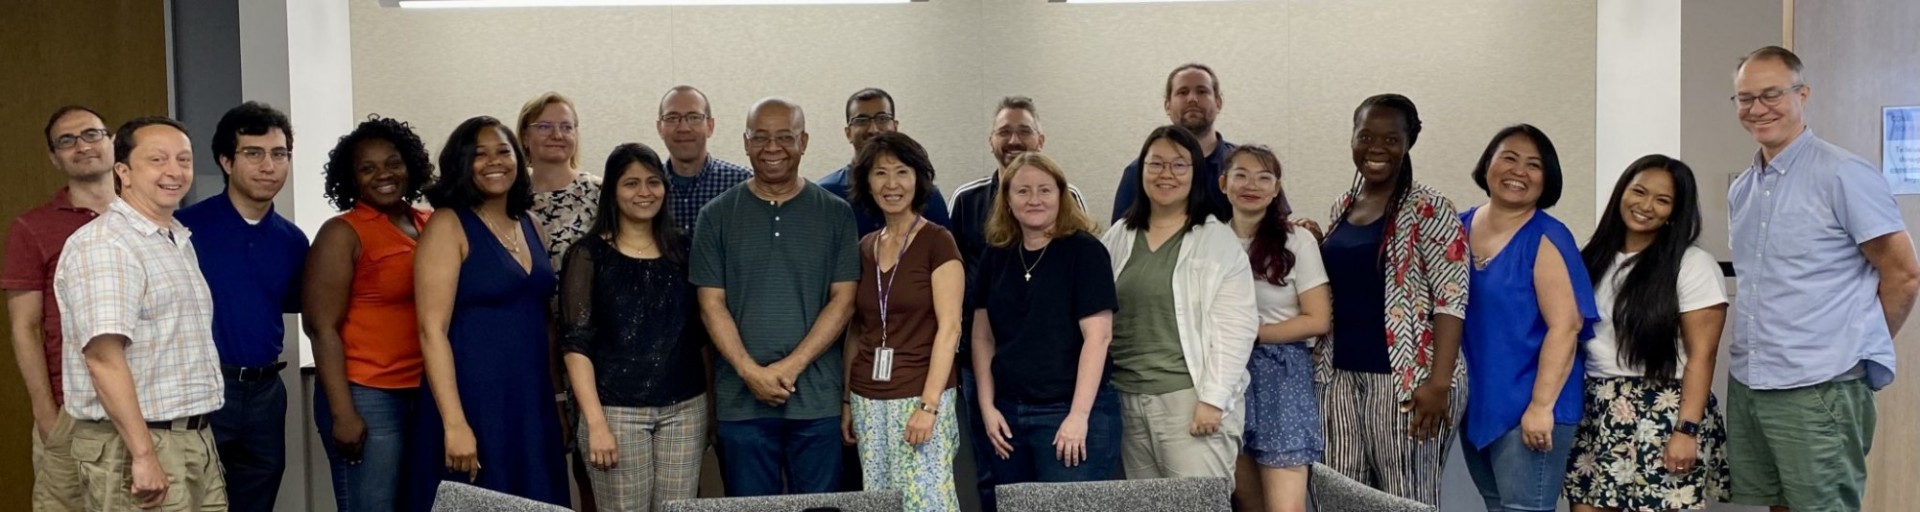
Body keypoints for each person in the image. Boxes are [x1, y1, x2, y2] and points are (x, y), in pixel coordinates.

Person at [1725, 46, 1919, 511]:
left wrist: (1856, 342)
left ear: (1803, 94)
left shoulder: (1843, 174)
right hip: (1752, 383)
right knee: (1774, 503)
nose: (1758, 109)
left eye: (1771, 94)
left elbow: (1904, 273)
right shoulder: (1743, 188)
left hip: (1821, 386)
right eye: (1745, 98)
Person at [55, 116, 227, 510]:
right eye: (158, 160)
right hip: (136, 444)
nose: (175, 171)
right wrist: (144, 454)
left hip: (193, 439)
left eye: (184, 160)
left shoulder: (174, 239)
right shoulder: (107, 244)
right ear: (124, 172)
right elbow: (102, 357)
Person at [692, 97, 860, 496]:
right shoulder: (716, 216)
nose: (772, 148)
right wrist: (751, 372)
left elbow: (844, 301)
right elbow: (710, 305)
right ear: (745, 142)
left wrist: (791, 366)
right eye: (760, 137)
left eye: (785, 136)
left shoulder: (836, 214)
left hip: (817, 401)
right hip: (740, 401)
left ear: (803, 141)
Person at [406, 116, 569, 509]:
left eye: (503, 151)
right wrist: (454, 422)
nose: (494, 162)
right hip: (474, 399)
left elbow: (544, 319)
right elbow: (431, 330)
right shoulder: (447, 224)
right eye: (479, 155)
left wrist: (558, 400)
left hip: (531, 401)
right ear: (462, 164)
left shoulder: (530, 224)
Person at [1313, 94, 1468, 506]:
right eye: (1365, 136)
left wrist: (1438, 384)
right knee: (1338, 494)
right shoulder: (1342, 206)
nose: (1376, 148)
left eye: (1390, 138)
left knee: (1406, 498)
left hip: (1408, 381)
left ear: (1409, 141)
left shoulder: (1430, 207)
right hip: (1339, 377)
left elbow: (1452, 299)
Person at [946, 96, 1086, 512]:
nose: (1014, 139)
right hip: (983, 362)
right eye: (1004, 131)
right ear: (991, 140)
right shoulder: (966, 200)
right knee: (994, 472)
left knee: (1057, 486)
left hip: (1053, 371)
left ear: (1041, 138)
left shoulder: (1067, 196)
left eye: (1024, 130)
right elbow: (954, 282)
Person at [1566, 155, 1730, 511]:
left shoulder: (1692, 264)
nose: (1645, 206)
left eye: (1662, 200)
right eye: (1638, 191)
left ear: (1675, 211)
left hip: (1665, 411)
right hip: (1597, 408)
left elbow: (1703, 355)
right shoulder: (1590, 258)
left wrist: (1686, 431)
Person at [173, 102, 308, 512]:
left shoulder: (293, 240)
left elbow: (289, 306)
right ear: (226, 161)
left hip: (266, 392)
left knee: (257, 500)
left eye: (279, 154)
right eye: (254, 153)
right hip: (202, 389)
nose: (269, 165)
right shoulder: (184, 230)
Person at [560, 143, 711, 511]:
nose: (644, 192)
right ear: (612, 190)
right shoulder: (587, 255)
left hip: (685, 410)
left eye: (653, 182)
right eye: (631, 184)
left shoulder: (685, 249)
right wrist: (594, 423)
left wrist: (713, 412)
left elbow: (701, 336)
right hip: (615, 413)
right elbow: (575, 344)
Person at [1101, 125, 1257, 481]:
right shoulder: (1119, 236)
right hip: (1127, 400)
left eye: (1179, 165)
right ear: (1140, 172)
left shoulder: (1217, 241)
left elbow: (1237, 330)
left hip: (1189, 403)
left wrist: (1213, 400)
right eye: (1155, 164)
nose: (1165, 174)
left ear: (1196, 174)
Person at [1458, 124, 1600, 512]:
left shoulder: (1548, 237)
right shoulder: (1457, 227)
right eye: (1509, 157)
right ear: (1488, 163)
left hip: (1532, 406)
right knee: (1497, 505)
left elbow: (1566, 326)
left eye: (1533, 164)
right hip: (1478, 402)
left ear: (1547, 178)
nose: (1518, 171)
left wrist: (1540, 407)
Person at [304, 115, 435, 511]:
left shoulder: (430, 223)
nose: (384, 174)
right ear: (351, 177)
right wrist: (343, 412)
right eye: (368, 167)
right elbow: (320, 327)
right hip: (368, 395)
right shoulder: (342, 232)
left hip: (426, 392)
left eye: (393, 162)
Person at [971, 151, 1120, 490]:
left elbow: (1098, 338)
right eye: (1022, 191)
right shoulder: (996, 255)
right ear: (1007, 200)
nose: (1034, 199)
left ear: (1060, 195)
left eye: (1044, 190)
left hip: (1070, 413)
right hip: (1007, 416)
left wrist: (1078, 417)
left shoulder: (1085, 252)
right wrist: (987, 407)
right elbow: (982, 338)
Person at [841, 132, 964, 511]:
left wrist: (928, 407)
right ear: (867, 182)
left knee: (927, 502)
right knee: (879, 502)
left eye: (901, 172)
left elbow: (951, 329)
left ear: (918, 179)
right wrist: (847, 400)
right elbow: (857, 330)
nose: (891, 184)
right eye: (880, 173)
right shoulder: (864, 247)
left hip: (920, 397)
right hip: (867, 399)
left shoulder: (938, 242)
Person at [7, 105, 112, 510]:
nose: (81, 146)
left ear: (112, 141)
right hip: (71, 410)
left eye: (91, 134)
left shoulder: (148, 217)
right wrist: (46, 413)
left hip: (148, 409)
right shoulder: (32, 228)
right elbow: (24, 328)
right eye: (66, 141)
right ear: (54, 157)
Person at [1219, 145, 1328, 512]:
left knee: (1285, 507)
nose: (1252, 184)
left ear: (1277, 188)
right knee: (1247, 502)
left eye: (1264, 177)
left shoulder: (1298, 240)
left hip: (1282, 376)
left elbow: (1317, 319)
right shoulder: (1207, 240)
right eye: (1241, 175)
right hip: (1225, 376)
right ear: (1223, 183)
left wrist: (1249, 334)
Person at [516, 90, 603, 510]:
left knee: (595, 462)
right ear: (525, 137)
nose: (557, 135)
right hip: (530, 347)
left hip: (594, 349)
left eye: (566, 126)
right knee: (538, 458)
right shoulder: (507, 202)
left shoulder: (601, 194)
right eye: (545, 126)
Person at [1109, 63, 1238, 222]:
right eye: (1182, 92)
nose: (1192, 99)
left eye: (1202, 91)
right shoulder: (1140, 172)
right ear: (1167, 105)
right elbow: (1123, 239)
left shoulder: (1244, 168)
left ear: (1218, 103)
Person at [816, 87, 951, 235]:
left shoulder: (924, 193)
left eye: (882, 118)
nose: (873, 129)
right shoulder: (825, 194)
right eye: (861, 120)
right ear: (848, 133)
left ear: (895, 127)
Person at [657, 85, 753, 233]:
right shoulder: (649, 187)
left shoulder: (742, 184)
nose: (683, 128)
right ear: (660, 128)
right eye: (672, 118)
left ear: (710, 126)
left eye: (694, 117)